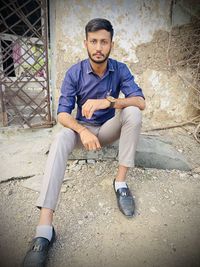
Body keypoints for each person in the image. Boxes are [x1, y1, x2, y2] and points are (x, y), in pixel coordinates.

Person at [23, 18, 145, 266]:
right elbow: (62, 114)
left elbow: (140, 101)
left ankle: (120, 183)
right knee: (60, 138)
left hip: (108, 129)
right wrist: (82, 130)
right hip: (82, 131)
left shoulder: (120, 69)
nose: (98, 47)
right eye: (93, 41)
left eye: (103, 41)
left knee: (133, 112)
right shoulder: (74, 72)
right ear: (86, 43)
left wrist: (110, 102)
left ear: (111, 44)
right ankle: (44, 231)